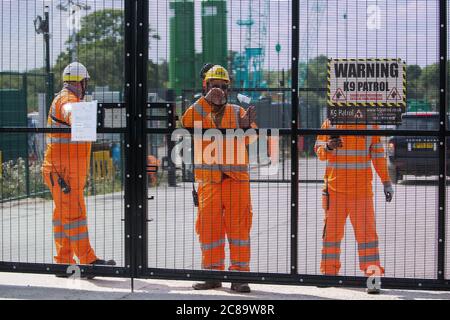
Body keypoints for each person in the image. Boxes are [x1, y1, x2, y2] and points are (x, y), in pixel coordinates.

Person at [181, 64, 256, 293]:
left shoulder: (236, 111)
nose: (219, 90)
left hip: (236, 181)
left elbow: (252, 139)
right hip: (209, 181)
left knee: (238, 229)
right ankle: (212, 275)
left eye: (223, 87)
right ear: (206, 86)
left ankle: (239, 276)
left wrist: (246, 129)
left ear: (229, 89)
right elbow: (185, 123)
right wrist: (206, 101)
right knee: (208, 229)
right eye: (215, 86)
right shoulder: (198, 110)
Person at [42, 62, 116, 272]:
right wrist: (76, 116)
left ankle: (64, 263)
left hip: (61, 172)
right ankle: (88, 261)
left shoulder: (66, 98)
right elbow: (69, 110)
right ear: (82, 82)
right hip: (64, 173)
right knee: (74, 216)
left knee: (62, 217)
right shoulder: (67, 99)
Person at [315, 120, 394, 294]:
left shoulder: (370, 125)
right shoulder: (330, 124)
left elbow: (378, 155)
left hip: (360, 192)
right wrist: (328, 147)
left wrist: (386, 181)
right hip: (336, 192)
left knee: (367, 237)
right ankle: (329, 275)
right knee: (331, 237)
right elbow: (319, 152)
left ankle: (372, 278)